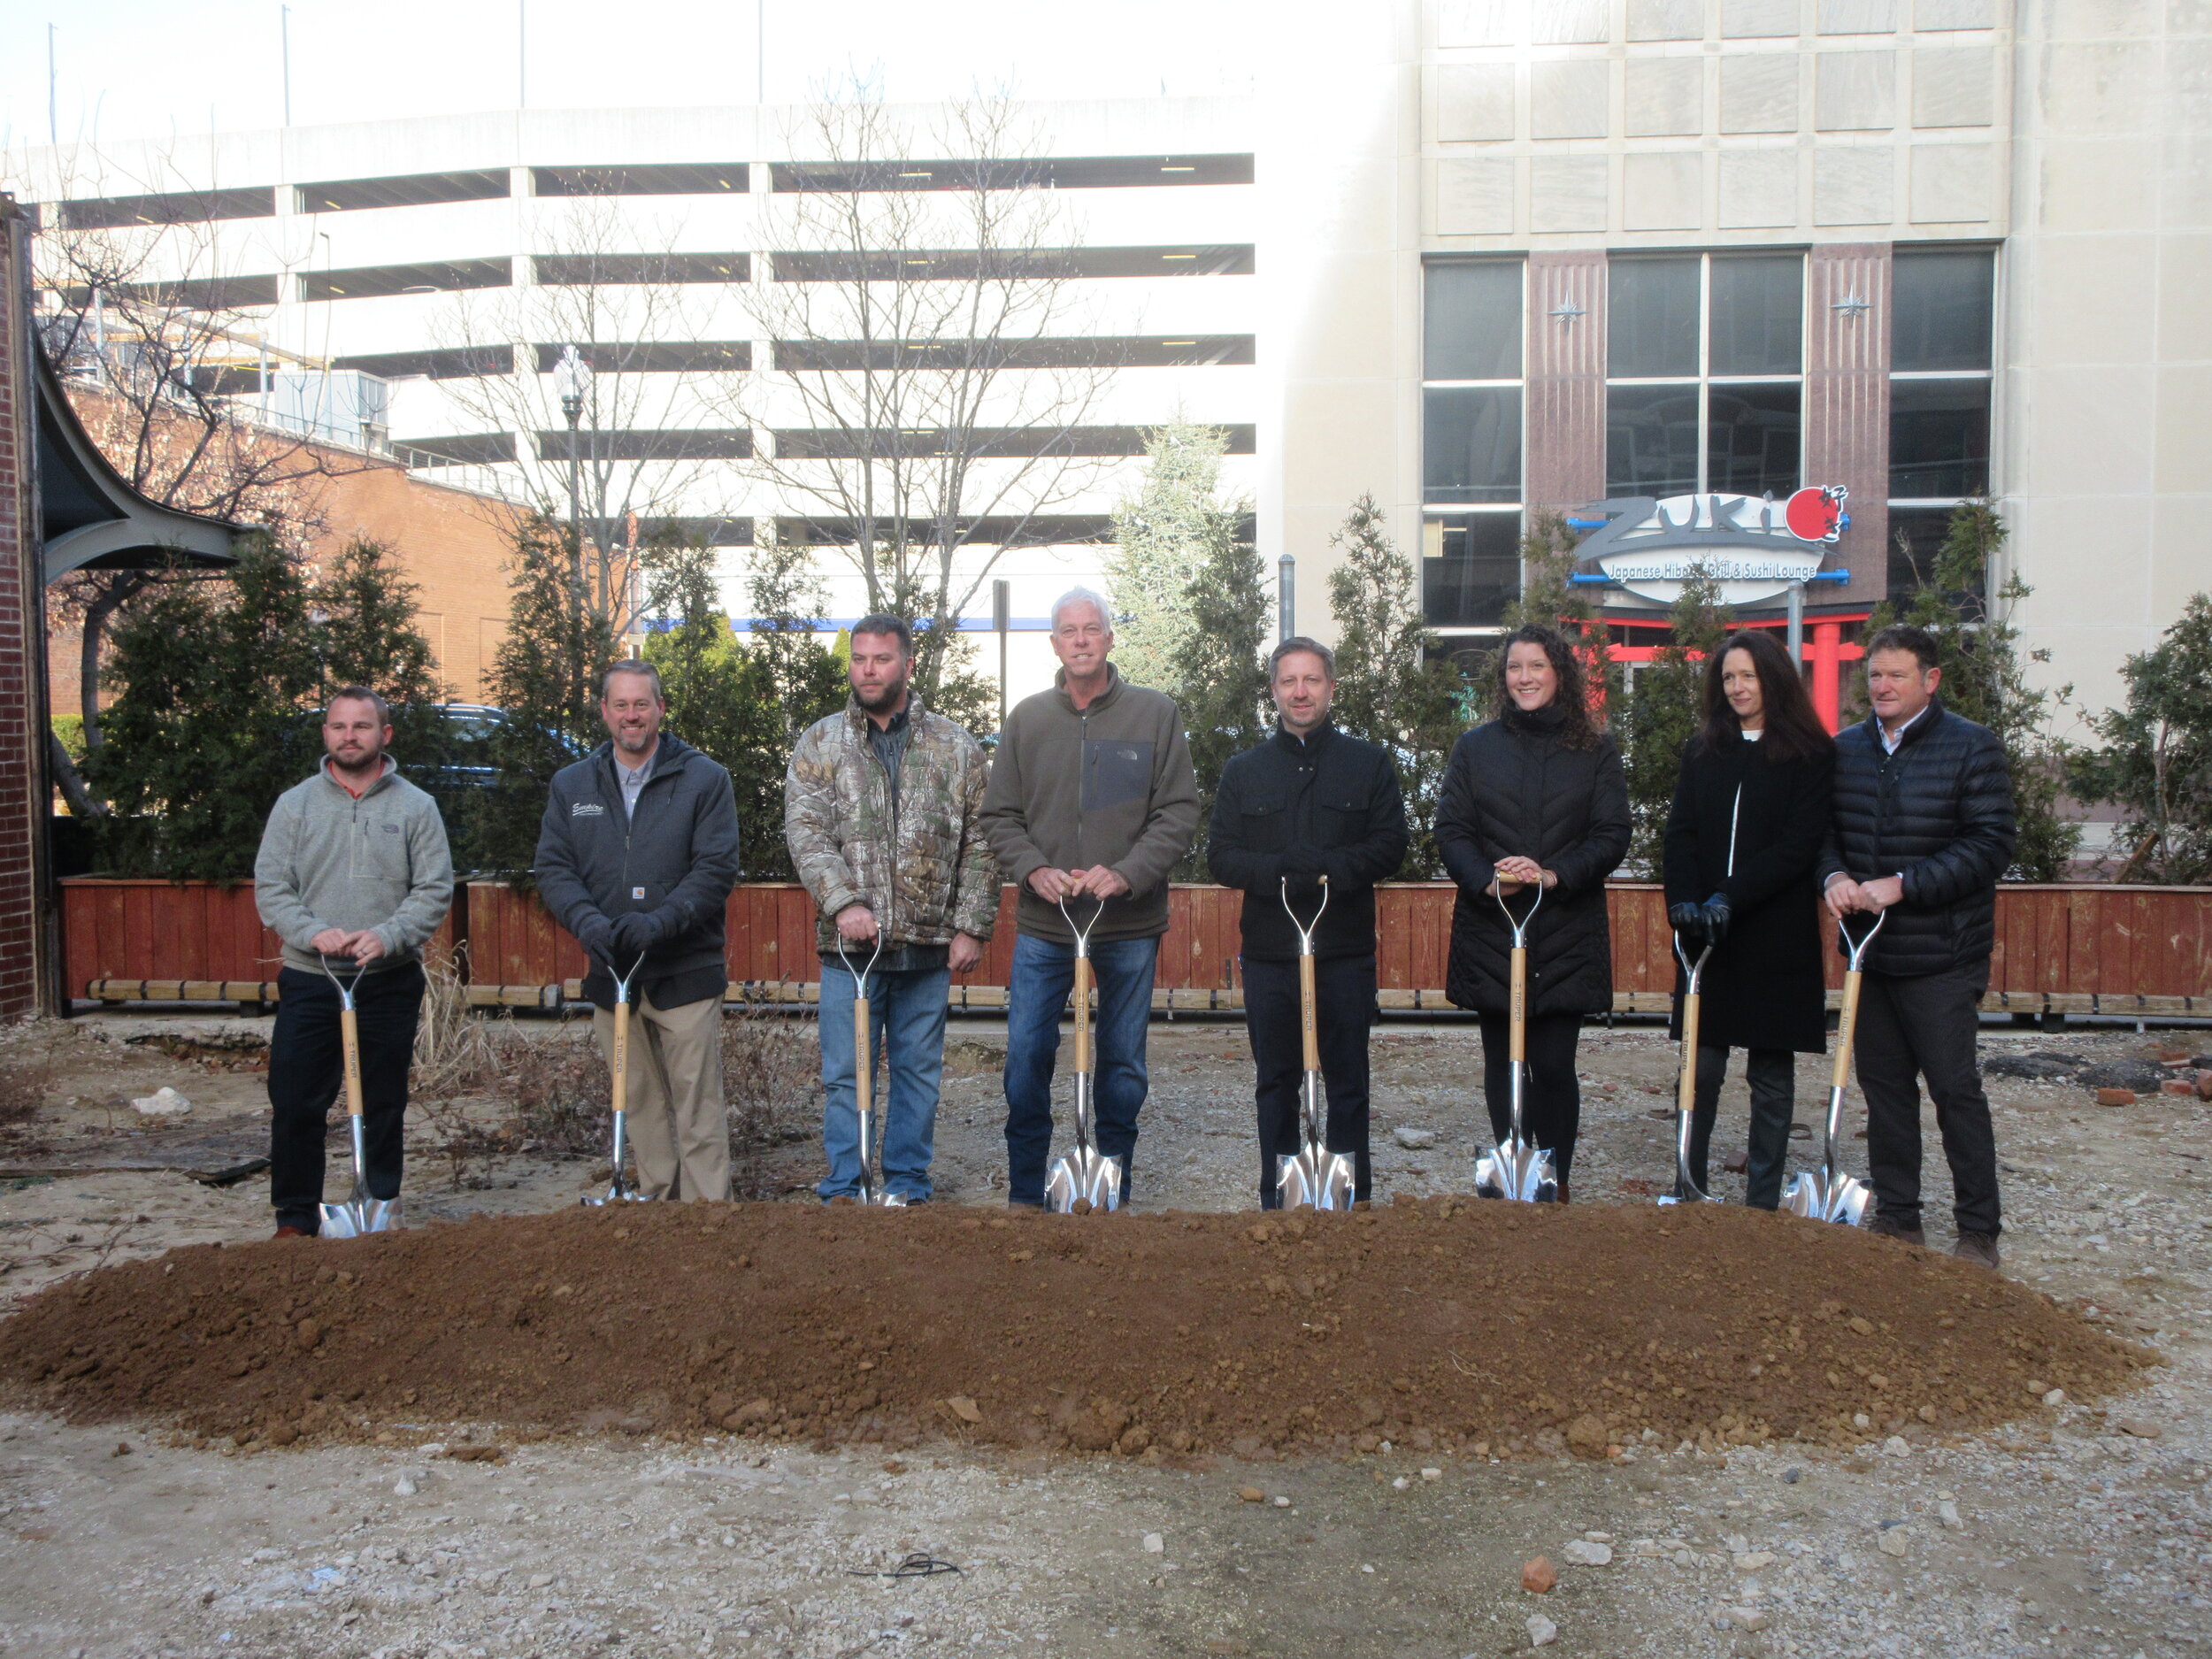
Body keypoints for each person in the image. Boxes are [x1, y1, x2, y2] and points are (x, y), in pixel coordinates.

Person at [979, 588, 1200, 1206]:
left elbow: (1178, 811)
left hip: (1127, 925)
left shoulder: (1154, 714)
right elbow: (999, 816)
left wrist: (1129, 871)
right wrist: (1032, 870)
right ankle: (1028, 1187)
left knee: (1123, 1060)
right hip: (1046, 926)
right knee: (1025, 1055)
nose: (1080, 639)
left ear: (1109, 638)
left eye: (1091, 628)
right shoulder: (1027, 720)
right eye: (1068, 630)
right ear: (1054, 643)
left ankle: (1111, 1179)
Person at [785, 614, 999, 1203]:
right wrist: (843, 901)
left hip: (928, 947)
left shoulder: (955, 745)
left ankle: (906, 1183)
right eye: (859, 658)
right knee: (844, 1076)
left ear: (906, 662)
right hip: (849, 950)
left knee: (917, 1075)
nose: (869, 669)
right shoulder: (822, 742)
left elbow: (982, 841)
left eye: (881, 659)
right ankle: (845, 1185)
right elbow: (805, 831)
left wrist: (971, 926)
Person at [1820, 624, 2016, 1267]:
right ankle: (1900, 1219)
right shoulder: (1845, 749)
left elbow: (1989, 846)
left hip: (1942, 954)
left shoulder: (1971, 748)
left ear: (1929, 680)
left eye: (1896, 675)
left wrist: (1901, 886)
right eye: (1874, 674)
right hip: (1869, 955)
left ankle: (1978, 1230)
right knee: (1886, 1091)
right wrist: (1836, 877)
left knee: (1955, 1090)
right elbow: (1823, 834)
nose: (1881, 686)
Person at [1208, 636, 1408, 1208]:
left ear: (1331, 687)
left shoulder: (1368, 763)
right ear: (1273, 690)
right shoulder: (1245, 771)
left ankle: (1351, 1195)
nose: (1300, 691)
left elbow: (1390, 845)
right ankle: (1278, 1193)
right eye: (1289, 680)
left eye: (1312, 680)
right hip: (1271, 952)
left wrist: (1330, 868)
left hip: (1343, 949)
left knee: (1348, 1078)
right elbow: (1222, 855)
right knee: (1275, 1080)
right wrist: (1277, 870)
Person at [1434, 624, 1630, 1202]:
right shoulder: (1476, 748)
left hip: (1566, 927)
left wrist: (1553, 875)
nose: (1524, 677)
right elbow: (1452, 829)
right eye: (1515, 667)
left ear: (1559, 673)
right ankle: (1513, 1167)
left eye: (1537, 666)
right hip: (1495, 926)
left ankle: (1556, 1179)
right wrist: (1487, 879)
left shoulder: (1595, 750)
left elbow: (1612, 832)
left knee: (1552, 1060)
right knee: (1503, 1057)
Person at [535, 659, 743, 1202]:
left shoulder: (705, 779)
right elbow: (554, 868)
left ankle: (707, 1216)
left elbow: (715, 868)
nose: (632, 715)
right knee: (639, 1100)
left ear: (660, 709)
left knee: (698, 1103)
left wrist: (660, 922)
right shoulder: (572, 785)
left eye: (642, 704)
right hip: (613, 971)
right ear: (604, 711)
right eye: (621, 705)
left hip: (685, 971)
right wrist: (587, 923)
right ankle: (656, 1201)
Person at [254, 687, 454, 1238]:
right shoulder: (296, 805)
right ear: (326, 735)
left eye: (361, 727)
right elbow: (272, 887)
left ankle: (379, 1203)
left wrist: (389, 936)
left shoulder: (416, 806)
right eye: (339, 727)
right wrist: (312, 931)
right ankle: (295, 1217)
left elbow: (434, 889)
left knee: (383, 1101)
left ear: (384, 735)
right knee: (296, 1103)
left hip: (386, 981)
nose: (349, 737)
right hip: (311, 979)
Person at [1662, 629, 1836, 1208]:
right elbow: (1681, 832)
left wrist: (1729, 896)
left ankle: (1760, 1203)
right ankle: (1690, 1188)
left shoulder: (1809, 753)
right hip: (1706, 939)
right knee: (1702, 1065)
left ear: (1773, 680)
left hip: (1773, 933)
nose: (1737, 687)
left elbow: (1797, 846)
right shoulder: (1704, 749)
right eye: (1728, 677)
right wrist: (1684, 901)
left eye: (1748, 676)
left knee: (1770, 1071)